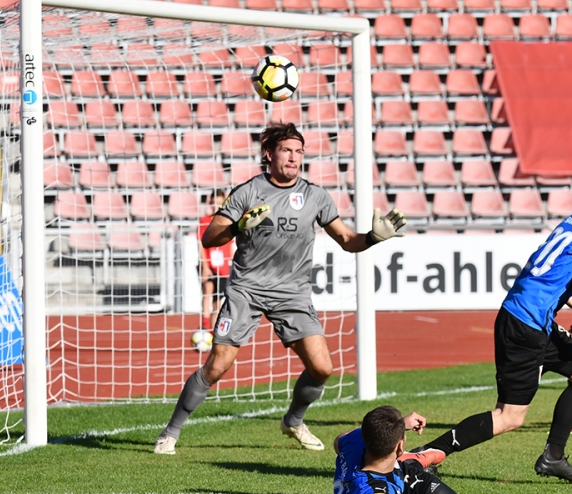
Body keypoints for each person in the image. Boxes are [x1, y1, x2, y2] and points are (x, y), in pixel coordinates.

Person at [154, 123, 407, 455]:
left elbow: (347, 240)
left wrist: (373, 237)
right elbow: (209, 237)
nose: (294, 157)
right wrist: (238, 226)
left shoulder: (316, 195)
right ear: (269, 154)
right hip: (246, 289)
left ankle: (293, 420)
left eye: (299, 151)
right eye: (287, 150)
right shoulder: (247, 192)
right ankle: (170, 433)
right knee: (217, 365)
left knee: (322, 368)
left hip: (292, 293)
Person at [413, 170, 572, 483]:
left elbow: (560, 279)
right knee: (509, 416)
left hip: (532, 318)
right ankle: (423, 455)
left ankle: (553, 456)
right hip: (526, 324)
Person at [332, 405, 572, 494]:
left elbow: (340, 440)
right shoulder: (376, 493)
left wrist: (398, 424)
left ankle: (417, 459)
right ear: (399, 445)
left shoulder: (354, 443)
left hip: (400, 478)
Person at [198, 190, 233, 331]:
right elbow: (201, 244)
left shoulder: (228, 221)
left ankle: (212, 331)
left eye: (219, 203)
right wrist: (204, 266)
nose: (215, 206)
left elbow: (230, 246)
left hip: (223, 267)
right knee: (208, 288)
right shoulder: (205, 221)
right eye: (213, 203)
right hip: (209, 263)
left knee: (217, 302)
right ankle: (204, 324)